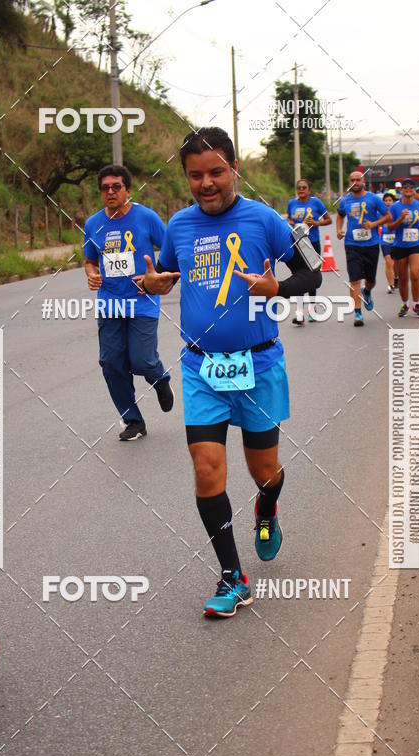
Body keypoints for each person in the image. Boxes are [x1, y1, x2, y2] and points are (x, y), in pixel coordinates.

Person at [142, 127, 321, 617]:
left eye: (216, 172)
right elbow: (163, 274)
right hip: (201, 368)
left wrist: (277, 289)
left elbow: (314, 271)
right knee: (206, 469)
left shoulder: (266, 219)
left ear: (234, 169)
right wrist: (154, 283)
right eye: (196, 175)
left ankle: (267, 507)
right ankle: (232, 576)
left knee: (264, 472)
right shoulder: (178, 225)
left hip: (258, 364)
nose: (207, 183)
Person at [84, 164, 174, 441]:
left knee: (142, 361)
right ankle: (133, 420)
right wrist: (92, 274)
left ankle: (160, 379)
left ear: (127, 190)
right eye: (105, 188)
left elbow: (171, 250)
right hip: (110, 303)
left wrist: (155, 275)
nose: (110, 192)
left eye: (116, 187)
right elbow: (90, 259)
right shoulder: (93, 224)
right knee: (111, 363)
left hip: (142, 301)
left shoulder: (146, 218)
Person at [336, 171, 391, 326]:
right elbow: (340, 215)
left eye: (358, 179)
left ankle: (367, 292)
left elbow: (388, 216)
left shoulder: (373, 198)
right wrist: (339, 230)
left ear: (363, 181)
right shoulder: (345, 200)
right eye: (352, 180)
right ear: (349, 182)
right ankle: (358, 313)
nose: (355, 182)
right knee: (354, 280)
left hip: (371, 244)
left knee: (370, 280)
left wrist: (373, 225)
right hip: (352, 244)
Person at [286, 178, 331, 325]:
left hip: (312, 244)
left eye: (304, 187)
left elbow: (328, 219)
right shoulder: (292, 203)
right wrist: (290, 222)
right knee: (298, 277)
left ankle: (312, 310)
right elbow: (288, 218)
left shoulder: (316, 203)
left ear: (309, 190)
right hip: (297, 244)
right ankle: (299, 313)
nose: (301, 190)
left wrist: (317, 223)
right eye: (299, 187)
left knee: (311, 277)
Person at [388, 177, 419, 318]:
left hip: (416, 244)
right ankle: (405, 304)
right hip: (400, 245)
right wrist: (400, 218)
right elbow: (389, 226)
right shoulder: (395, 207)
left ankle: (416, 304)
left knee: (415, 274)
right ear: (402, 190)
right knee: (403, 278)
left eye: (411, 187)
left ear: (414, 190)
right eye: (405, 187)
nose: (408, 189)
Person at [379, 192, 397, 293]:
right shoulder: (380, 213)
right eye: (386, 201)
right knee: (388, 262)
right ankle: (391, 285)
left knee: (395, 264)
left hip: (396, 241)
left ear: (393, 201)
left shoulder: (397, 211)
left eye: (390, 200)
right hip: (384, 240)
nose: (388, 202)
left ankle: (396, 278)